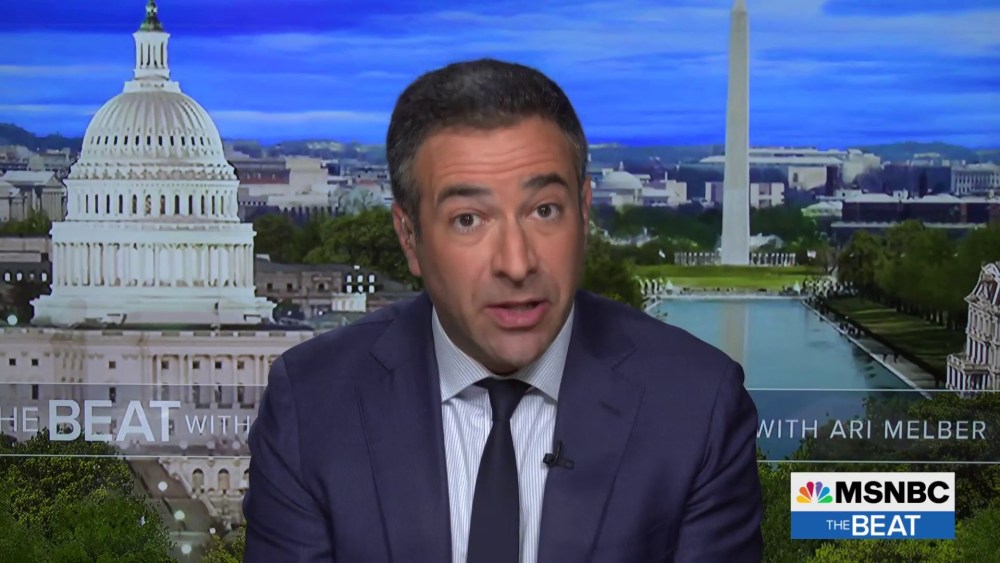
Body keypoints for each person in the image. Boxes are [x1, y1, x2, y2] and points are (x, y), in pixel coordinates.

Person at [243, 58, 764, 562]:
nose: (516, 264)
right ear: (409, 236)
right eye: (468, 220)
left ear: (584, 214)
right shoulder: (312, 405)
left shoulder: (697, 406)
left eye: (544, 211)